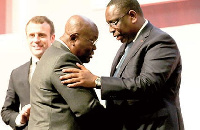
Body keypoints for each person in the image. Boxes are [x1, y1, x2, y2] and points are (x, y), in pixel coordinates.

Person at [60, 0, 184, 130]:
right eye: (108, 24)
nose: (110, 30)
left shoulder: (160, 41)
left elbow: (147, 84)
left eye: (114, 22)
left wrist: (97, 81)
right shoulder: (128, 44)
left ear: (132, 16)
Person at [28, 15, 107, 130]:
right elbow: (87, 109)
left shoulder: (52, 53)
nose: (94, 47)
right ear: (74, 38)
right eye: (92, 41)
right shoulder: (63, 59)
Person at [1, 16, 55, 130]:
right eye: (32, 35)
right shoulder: (17, 74)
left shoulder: (64, 68)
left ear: (52, 38)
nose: (36, 40)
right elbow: (6, 111)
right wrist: (20, 118)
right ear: (27, 38)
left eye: (41, 35)